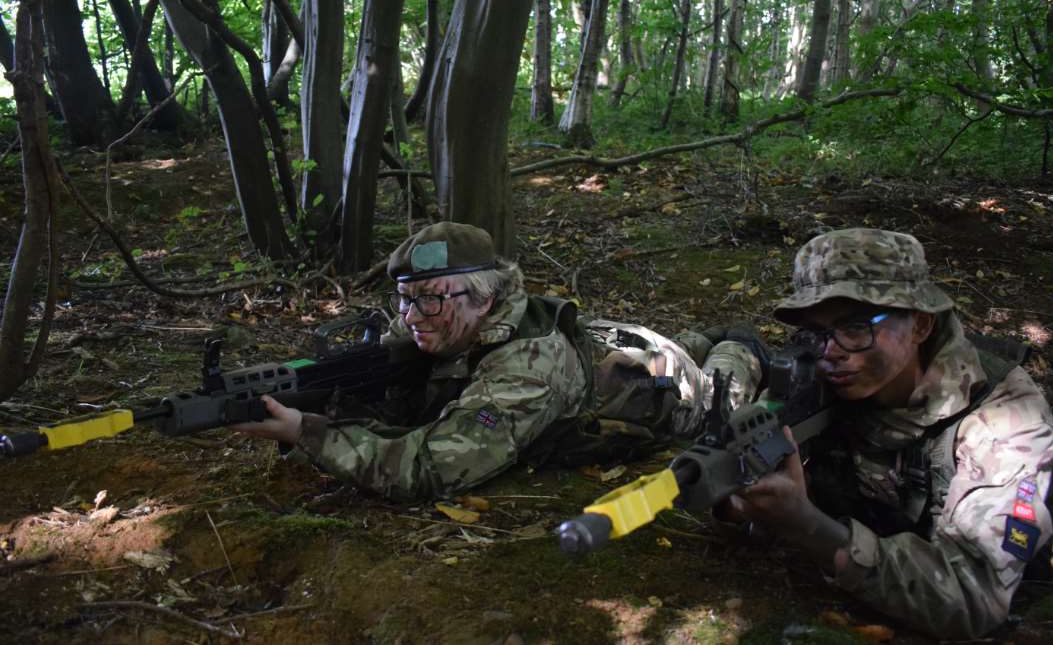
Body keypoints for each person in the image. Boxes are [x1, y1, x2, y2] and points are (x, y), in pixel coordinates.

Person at [233, 222, 761, 501]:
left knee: (722, 386)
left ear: (485, 298)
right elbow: (380, 364)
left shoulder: (526, 371)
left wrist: (308, 432)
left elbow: (429, 470)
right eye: (405, 298)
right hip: (602, 349)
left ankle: (736, 344)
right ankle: (699, 336)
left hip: (666, 387)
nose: (414, 317)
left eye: (431, 299)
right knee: (647, 344)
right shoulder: (441, 315)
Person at [719, 228, 1053, 639]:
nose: (830, 352)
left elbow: (973, 599)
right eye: (815, 333)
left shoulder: (1006, 421)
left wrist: (808, 527)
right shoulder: (820, 380)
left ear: (921, 325)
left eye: (856, 327)